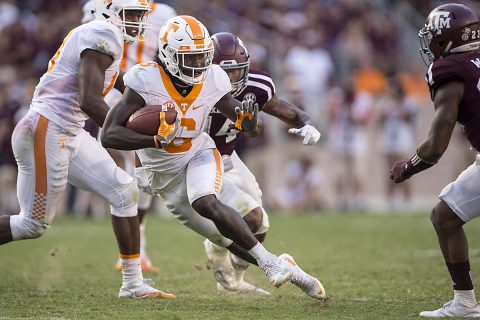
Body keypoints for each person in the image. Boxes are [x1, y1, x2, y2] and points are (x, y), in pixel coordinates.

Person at [102, 15, 325, 299]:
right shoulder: (145, 80)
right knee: (224, 238)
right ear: (170, 56)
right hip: (165, 176)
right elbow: (109, 135)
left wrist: (248, 121)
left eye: (202, 57)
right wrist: (154, 139)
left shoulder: (213, 77)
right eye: (191, 59)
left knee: (207, 200)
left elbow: (244, 120)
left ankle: (270, 265)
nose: (199, 65)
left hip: (200, 153)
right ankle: (287, 269)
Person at [0, 0, 175, 299]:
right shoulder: (103, 34)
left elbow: (121, 83)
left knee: (124, 190)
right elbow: (89, 100)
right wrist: (126, 129)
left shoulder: (105, 37)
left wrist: (158, 102)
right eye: (131, 15)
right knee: (32, 224)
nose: (138, 23)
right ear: (109, 11)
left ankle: (133, 284)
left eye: (140, 16)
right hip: (47, 128)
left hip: (66, 130)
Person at [201, 32, 322, 295]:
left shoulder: (257, 84)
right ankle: (224, 253)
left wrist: (307, 123)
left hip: (228, 157)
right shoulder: (195, 84)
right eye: (224, 73)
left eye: (236, 72)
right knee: (253, 215)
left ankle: (233, 274)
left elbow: (281, 109)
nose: (231, 80)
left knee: (260, 224)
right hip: (198, 159)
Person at [390, 3, 480, 317]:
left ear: (444, 38)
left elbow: (436, 145)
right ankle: (465, 303)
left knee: (445, 217)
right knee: (445, 216)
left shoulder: (449, 68)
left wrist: (408, 166)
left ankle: (466, 303)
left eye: (432, 35)